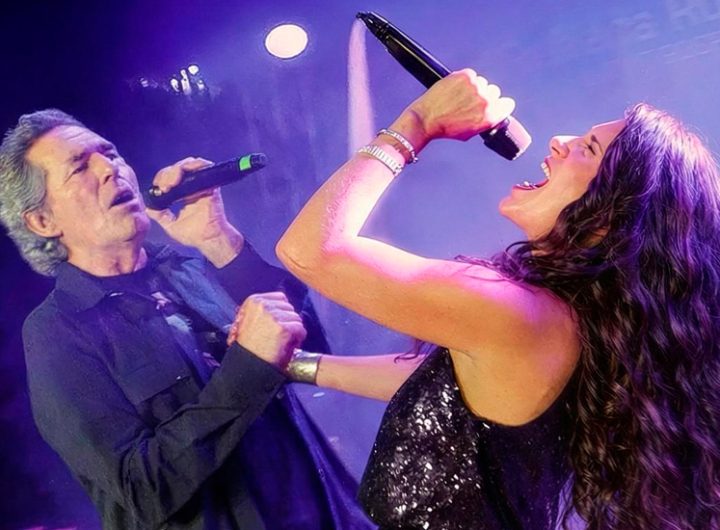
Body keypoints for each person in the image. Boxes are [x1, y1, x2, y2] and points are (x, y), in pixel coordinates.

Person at [275, 69, 720, 529]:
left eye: (588, 149)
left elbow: (310, 251)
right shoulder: (563, 319)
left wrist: (418, 123)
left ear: (613, 216)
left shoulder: (520, 314)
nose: (560, 141)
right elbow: (445, 387)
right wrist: (299, 365)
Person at [0, 109, 375, 530]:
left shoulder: (192, 268)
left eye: (110, 153)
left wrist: (219, 241)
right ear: (43, 221)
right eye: (79, 167)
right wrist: (247, 367)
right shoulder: (58, 332)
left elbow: (314, 350)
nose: (110, 169)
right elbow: (141, 492)